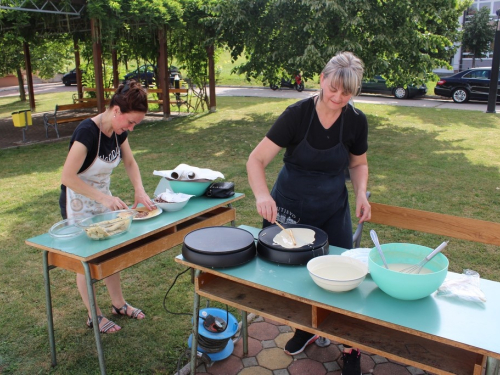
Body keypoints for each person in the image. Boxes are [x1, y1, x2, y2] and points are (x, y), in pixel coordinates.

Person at [246, 52, 371, 374]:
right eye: (333, 89)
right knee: (296, 274)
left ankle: (350, 346)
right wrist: (261, 194)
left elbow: (358, 163)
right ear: (321, 78)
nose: (337, 98)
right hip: (290, 205)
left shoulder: (355, 121)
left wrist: (361, 194)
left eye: (347, 93)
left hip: (332, 206)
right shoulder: (297, 115)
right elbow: (256, 160)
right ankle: (306, 326)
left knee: (341, 274)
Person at [60, 80, 156, 333]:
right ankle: (94, 315)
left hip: (103, 198)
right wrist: (104, 199)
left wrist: (139, 189)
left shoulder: (118, 131)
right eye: (130, 122)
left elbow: (131, 162)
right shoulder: (87, 133)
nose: (131, 129)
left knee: (112, 253)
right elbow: (67, 177)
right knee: (87, 261)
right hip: (78, 203)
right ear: (116, 111)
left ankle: (119, 304)